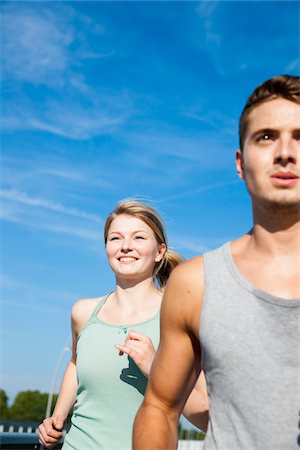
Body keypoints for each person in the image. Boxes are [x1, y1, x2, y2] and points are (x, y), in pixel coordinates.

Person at [133, 75, 300, 450]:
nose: (286, 152)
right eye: (267, 136)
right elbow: (159, 406)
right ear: (241, 163)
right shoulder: (195, 283)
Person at [38, 199, 208, 450]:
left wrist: (157, 372)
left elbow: (207, 417)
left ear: (160, 251)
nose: (126, 246)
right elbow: (75, 362)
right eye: (115, 238)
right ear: (106, 248)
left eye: (139, 238)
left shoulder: (180, 316)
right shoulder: (83, 312)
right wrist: (58, 416)